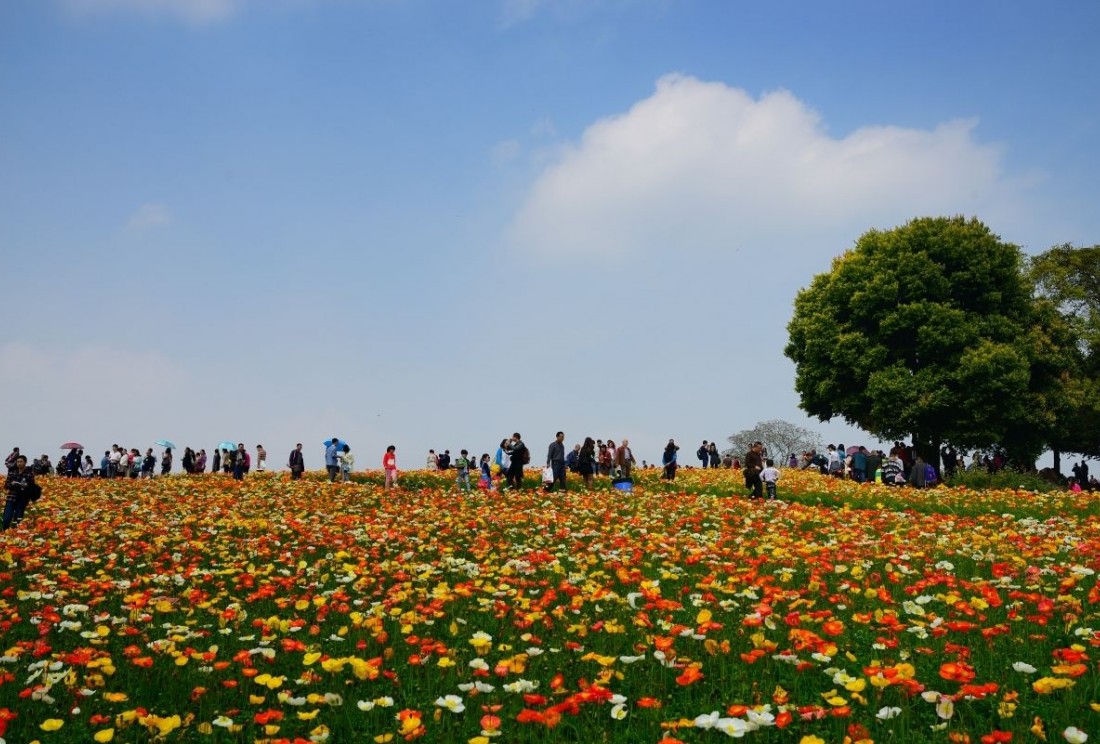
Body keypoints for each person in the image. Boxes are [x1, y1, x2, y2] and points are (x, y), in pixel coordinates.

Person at [3, 454, 38, 530]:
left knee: (17, 519)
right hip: (11, 497)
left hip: (22, 499)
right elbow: (6, 486)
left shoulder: (29, 474)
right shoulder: (12, 473)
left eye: (21, 462)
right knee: (6, 518)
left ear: (25, 462)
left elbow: (32, 487)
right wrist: (12, 484)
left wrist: (25, 486)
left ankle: (15, 535)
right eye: (18, 462)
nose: (19, 463)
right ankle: (4, 533)